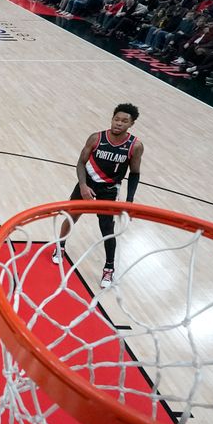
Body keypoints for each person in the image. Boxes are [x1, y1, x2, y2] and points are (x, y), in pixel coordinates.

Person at [52, 103, 144, 288]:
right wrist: (84, 185)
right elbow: (80, 163)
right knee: (71, 217)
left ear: (131, 124)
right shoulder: (96, 138)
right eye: (116, 119)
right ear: (112, 119)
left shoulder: (135, 146)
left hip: (109, 190)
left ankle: (109, 268)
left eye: (124, 121)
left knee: (106, 229)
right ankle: (60, 246)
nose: (118, 123)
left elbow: (134, 173)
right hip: (88, 183)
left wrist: (130, 201)